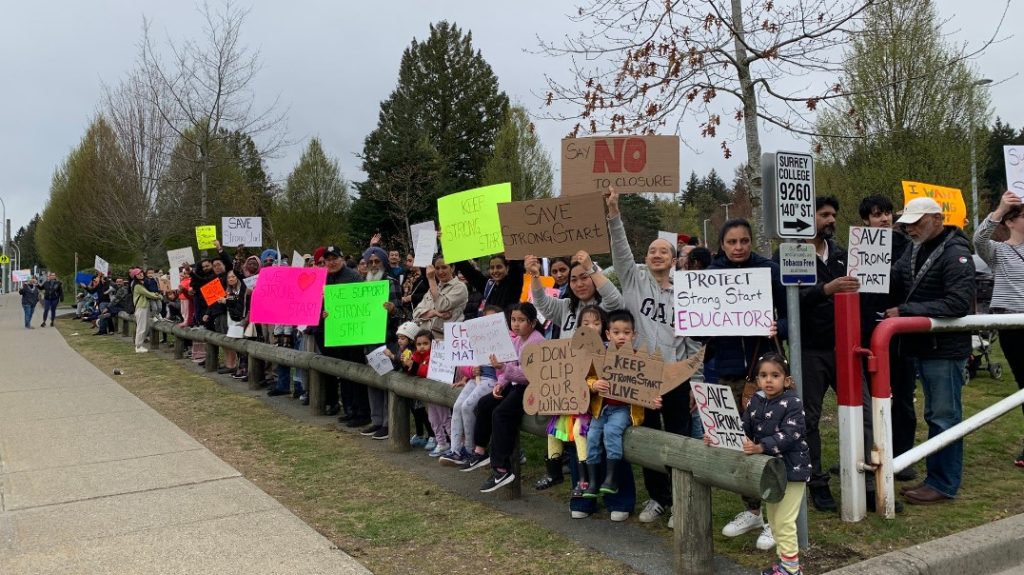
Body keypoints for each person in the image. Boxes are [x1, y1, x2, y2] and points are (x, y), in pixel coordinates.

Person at [605, 186, 701, 528]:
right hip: (640, 377)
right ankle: (658, 498)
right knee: (645, 438)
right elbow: (620, 252)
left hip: (676, 377)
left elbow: (692, 343)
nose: (656, 255)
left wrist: (695, 384)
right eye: (651, 250)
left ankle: (680, 501)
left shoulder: (685, 294)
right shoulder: (633, 282)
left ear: (674, 260)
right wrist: (614, 213)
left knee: (677, 438)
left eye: (663, 251)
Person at [889, 197, 975, 505]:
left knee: (944, 415)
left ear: (938, 219)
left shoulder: (956, 253)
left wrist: (906, 310)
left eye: (917, 222)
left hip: (945, 349)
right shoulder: (915, 248)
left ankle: (943, 482)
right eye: (907, 224)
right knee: (935, 414)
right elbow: (895, 276)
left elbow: (958, 303)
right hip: (925, 346)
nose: (910, 229)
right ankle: (936, 478)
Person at [774, 195, 858, 512]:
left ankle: (865, 479)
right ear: (808, 218)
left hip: (845, 348)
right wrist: (826, 290)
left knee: (862, 414)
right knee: (807, 420)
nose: (831, 220)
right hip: (808, 350)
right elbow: (787, 304)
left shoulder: (843, 255)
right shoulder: (786, 255)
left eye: (833, 215)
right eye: (824, 215)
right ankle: (817, 483)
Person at [709, 218, 787, 549]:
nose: (738, 247)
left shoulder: (769, 271)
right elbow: (701, 331)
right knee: (736, 440)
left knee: (771, 439)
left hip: (765, 369)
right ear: (722, 245)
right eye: (732, 242)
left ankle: (777, 516)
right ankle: (752, 509)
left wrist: (777, 327)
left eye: (744, 241)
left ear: (751, 241)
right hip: (727, 371)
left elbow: (791, 314)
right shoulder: (708, 277)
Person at [528, 251, 623, 490]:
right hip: (570, 385)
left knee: (590, 436)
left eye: (584, 277)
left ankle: (606, 489)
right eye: (573, 279)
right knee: (566, 434)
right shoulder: (566, 307)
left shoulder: (605, 307)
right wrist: (536, 276)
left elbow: (616, 299)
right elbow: (541, 303)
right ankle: (579, 487)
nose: (579, 283)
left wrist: (593, 268)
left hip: (598, 386)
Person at [733, 352, 810, 575]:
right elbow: (744, 427)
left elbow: (790, 435)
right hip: (769, 471)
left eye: (775, 375)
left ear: (786, 380)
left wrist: (761, 447)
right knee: (775, 522)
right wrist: (720, 436)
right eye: (763, 375)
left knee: (784, 521)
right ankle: (784, 564)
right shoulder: (756, 400)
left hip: (792, 470)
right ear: (757, 380)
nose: (768, 380)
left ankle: (792, 569)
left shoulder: (793, 403)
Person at [465, 303, 545, 492]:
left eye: (521, 320)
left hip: (531, 389)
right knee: (484, 403)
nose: (516, 324)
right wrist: (500, 384)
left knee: (501, 414)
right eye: (513, 319)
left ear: (532, 323)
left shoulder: (536, 342)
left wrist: (503, 369)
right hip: (515, 385)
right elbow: (509, 367)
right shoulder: (518, 340)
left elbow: (529, 375)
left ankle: (501, 468)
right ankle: (480, 450)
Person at [974, 191, 1024, 466]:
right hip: (1012, 326)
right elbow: (979, 240)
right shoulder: (1000, 252)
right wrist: (1000, 208)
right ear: (1011, 221)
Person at [583, 311, 648, 515]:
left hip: (623, 409)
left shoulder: (638, 358)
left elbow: (647, 385)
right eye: (617, 332)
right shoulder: (601, 356)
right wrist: (594, 385)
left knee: (612, 433)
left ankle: (611, 479)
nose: (622, 336)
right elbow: (589, 377)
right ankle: (593, 481)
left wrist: (651, 398)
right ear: (608, 334)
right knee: (592, 437)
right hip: (602, 408)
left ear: (634, 335)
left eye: (626, 332)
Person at [313, 245, 372, 422]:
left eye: (334, 259)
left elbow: (362, 304)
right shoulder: (326, 278)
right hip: (336, 333)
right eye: (328, 260)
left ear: (342, 259)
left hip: (353, 335)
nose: (331, 262)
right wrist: (324, 313)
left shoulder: (353, 277)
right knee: (343, 372)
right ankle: (349, 410)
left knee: (355, 372)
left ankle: (362, 412)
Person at [439, 306, 502, 466]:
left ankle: (469, 448)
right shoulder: (477, 338)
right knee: (458, 405)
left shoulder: (504, 339)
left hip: (492, 380)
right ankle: (455, 450)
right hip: (476, 378)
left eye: (494, 319)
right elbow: (464, 360)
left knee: (467, 406)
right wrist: (470, 371)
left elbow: (507, 366)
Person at [412, 255, 469, 338]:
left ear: (452, 268)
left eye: (444, 267)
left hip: (445, 339)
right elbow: (416, 313)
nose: (440, 272)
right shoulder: (434, 287)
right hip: (425, 340)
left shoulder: (460, 287)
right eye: (437, 268)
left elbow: (441, 307)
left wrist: (431, 279)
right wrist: (433, 313)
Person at [454, 254, 525, 313]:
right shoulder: (488, 286)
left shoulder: (513, 284)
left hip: (508, 328)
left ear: (507, 268)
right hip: (490, 327)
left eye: (499, 267)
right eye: (492, 268)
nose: (495, 271)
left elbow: (516, 266)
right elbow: (469, 271)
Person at [130, 268, 162, 353]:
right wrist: (158, 296)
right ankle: (138, 346)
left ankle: (139, 345)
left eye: (141, 273)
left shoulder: (141, 284)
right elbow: (148, 294)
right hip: (141, 308)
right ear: (135, 276)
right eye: (138, 274)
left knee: (145, 326)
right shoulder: (138, 286)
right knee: (141, 327)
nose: (140, 274)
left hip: (144, 307)